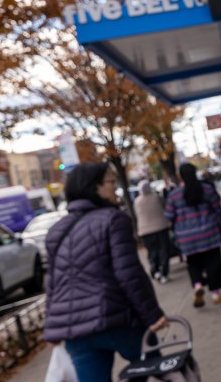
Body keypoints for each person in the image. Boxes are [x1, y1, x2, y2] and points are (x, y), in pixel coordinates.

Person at [44, 163, 168, 381]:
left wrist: (52, 326)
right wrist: (152, 314)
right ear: (95, 187)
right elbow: (129, 274)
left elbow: (53, 284)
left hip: (77, 333)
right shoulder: (113, 219)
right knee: (154, 370)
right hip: (118, 320)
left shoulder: (56, 231)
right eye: (111, 182)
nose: (115, 187)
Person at [166, 163, 221, 307]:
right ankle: (216, 293)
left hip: (187, 237)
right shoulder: (207, 189)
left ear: (180, 176)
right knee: (213, 262)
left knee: (193, 263)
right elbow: (217, 208)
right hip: (209, 233)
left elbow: (169, 215)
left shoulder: (174, 195)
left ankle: (197, 284)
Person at [134, 180, 171, 284]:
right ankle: (164, 273)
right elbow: (165, 207)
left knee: (152, 251)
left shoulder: (137, 201)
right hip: (161, 227)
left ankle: (155, 270)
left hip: (145, 231)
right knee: (164, 250)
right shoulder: (157, 197)